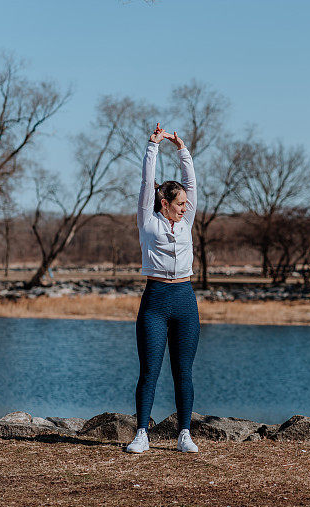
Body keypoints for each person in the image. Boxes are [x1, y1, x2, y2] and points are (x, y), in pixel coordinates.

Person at [126, 123, 200, 454]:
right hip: (155, 301)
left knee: (183, 372)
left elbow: (192, 182)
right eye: (180, 202)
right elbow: (146, 181)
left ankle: (184, 433)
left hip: (185, 300)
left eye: (186, 202)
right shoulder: (147, 221)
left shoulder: (186, 222)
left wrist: (182, 149)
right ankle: (142, 432)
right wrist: (153, 146)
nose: (185, 206)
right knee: (149, 372)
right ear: (164, 201)